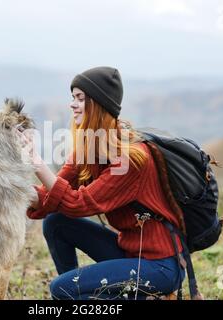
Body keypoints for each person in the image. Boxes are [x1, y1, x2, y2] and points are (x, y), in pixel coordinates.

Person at [22, 66, 185, 300]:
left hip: (159, 266)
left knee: (62, 288)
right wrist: (9, 190)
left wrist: (36, 162)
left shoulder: (131, 159)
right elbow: (53, 195)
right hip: (128, 251)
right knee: (56, 222)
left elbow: (78, 204)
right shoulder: (89, 148)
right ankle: (82, 295)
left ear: (99, 104)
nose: (72, 104)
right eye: (72, 97)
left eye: (80, 98)